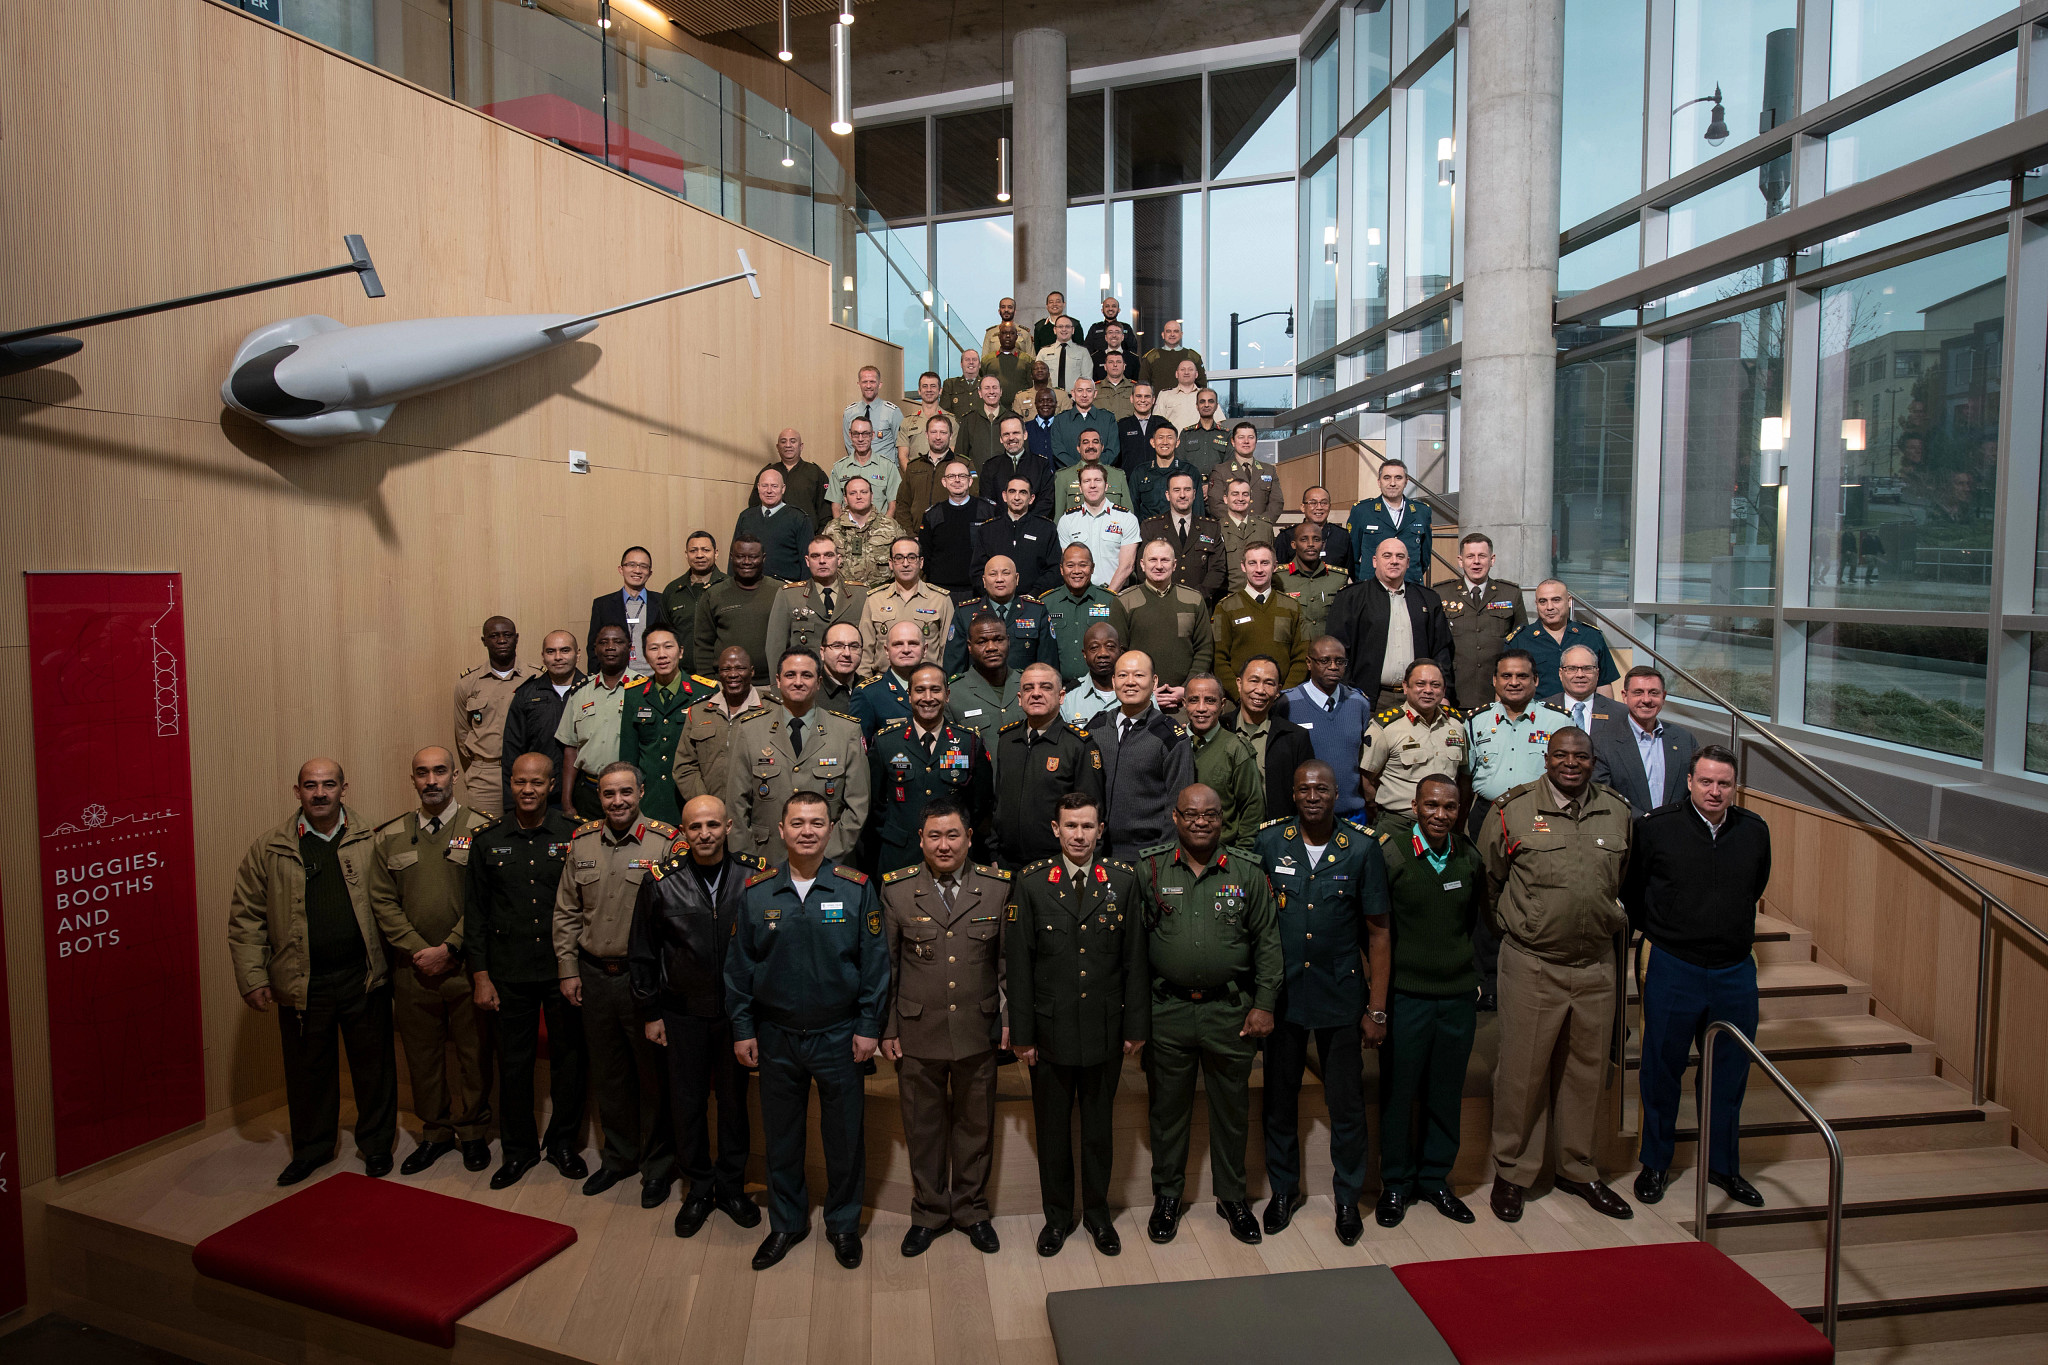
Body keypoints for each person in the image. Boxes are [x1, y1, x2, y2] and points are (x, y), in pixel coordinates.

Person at [727, 793, 888, 1271]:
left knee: (843, 1138)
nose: (807, 831)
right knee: (782, 1137)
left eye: (817, 823)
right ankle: (787, 1224)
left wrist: (868, 1026)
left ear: (830, 829)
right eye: (797, 823)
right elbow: (739, 969)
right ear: (781, 830)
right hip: (775, 1036)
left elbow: (875, 966)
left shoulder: (856, 888)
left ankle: (842, 1224)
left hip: (839, 1034)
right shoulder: (757, 893)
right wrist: (741, 1028)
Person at [1479, 728, 1634, 1224]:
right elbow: (1490, 881)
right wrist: (1527, 925)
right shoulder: (1512, 809)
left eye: (1581, 756)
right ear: (1545, 758)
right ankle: (1513, 1172)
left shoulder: (1617, 811)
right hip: (1533, 962)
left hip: (1596, 965)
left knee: (1587, 1071)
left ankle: (1577, 1167)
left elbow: (1622, 879)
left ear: (1593, 760)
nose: (1571, 763)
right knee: (1523, 1073)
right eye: (1561, 755)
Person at [229, 759, 397, 1185]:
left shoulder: (373, 838)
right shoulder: (270, 848)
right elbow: (246, 917)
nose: (319, 792)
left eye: (328, 784)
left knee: (374, 1069)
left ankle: (376, 1146)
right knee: (308, 1073)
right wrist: (253, 976)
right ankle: (312, 1150)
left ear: (345, 788)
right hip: (303, 981)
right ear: (296, 791)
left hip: (363, 976)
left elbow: (395, 903)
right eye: (310, 785)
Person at [1625, 746, 1772, 1210]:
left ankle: (1723, 1166)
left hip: (1733, 970)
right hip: (1673, 964)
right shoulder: (1656, 827)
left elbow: (1756, 885)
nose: (1714, 791)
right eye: (1706, 782)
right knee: (1662, 1068)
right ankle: (1656, 1162)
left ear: (1735, 788)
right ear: (1689, 781)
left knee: (1729, 1073)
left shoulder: (1754, 831)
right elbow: (1633, 891)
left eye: (1724, 784)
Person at [1136, 784, 1282, 1248]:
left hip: (1229, 1011)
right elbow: (1133, 951)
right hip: (1167, 1011)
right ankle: (1167, 1197)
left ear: (1223, 820)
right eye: (1191, 815)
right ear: (1175, 818)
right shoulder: (1151, 870)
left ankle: (1232, 1198)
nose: (1201, 822)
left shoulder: (1247, 871)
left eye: (1211, 815)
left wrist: (1264, 1004)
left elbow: (1268, 943)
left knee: (1231, 1111)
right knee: (1167, 1112)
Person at [1007, 793, 1148, 1257]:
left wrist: (1135, 1026)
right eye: (1071, 826)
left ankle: (1099, 1215)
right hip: (1049, 1033)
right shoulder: (1030, 883)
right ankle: (1057, 1218)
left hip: (1105, 1030)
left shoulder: (1123, 882)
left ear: (1101, 830)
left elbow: (1134, 962)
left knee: (1097, 1132)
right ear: (1055, 829)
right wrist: (1023, 1035)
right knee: (1051, 1132)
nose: (1079, 835)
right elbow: (1020, 967)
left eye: (1088, 827)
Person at [1256, 761, 1389, 1243]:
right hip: (1284, 995)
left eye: (1322, 789)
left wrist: (1376, 1007)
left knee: (1347, 1105)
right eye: (1304, 789)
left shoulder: (1361, 847)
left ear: (1337, 795)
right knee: (1279, 1102)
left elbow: (1378, 933)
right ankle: (1284, 1191)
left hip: (1340, 996)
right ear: (1293, 794)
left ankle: (1349, 1199)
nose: (1313, 796)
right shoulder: (1269, 843)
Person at [630, 795, 768, 1238]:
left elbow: (768, 948)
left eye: (712, 825)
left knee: (733, 1105)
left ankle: (730, 1187)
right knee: (686, 1104)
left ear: (728, 826)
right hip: (681, 1013)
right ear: (682, 832)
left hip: (736, 1014)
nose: (704, 834)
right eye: (694, 827)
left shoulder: (754, 875)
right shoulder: (659, 881)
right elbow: (643, 952)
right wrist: (651, 1012)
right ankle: (698, 1188)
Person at [879, 801, 1011, 1256]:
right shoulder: (896, 891)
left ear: (970, 838)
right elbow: (889, 968)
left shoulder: (996, 889)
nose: (943, 844)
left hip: (978, 1026)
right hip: (918, 1030)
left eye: (953, 835)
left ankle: (972, 1211)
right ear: (920, 840)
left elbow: (1006, 965)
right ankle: (930, 1213)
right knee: (924, 1128)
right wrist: (889, 1026)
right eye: (934, 835)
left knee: (976, 1127)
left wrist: (1009, 1019)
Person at [553, 763, 680, 1207]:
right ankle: (619, 1157)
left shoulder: (665, 842)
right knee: (609, 1074)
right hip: (593, 977)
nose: (618, 801)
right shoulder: (583, 841)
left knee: (653, 1077)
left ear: (642, 791)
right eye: (609, 794)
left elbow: (674, 921)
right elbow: (567, 910)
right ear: (600, 798)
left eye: (626, 792)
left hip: (641, 981)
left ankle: (659, 1166)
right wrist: (568, 968)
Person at [368, 747, 496, 1174]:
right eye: (422, 773)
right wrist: (418, 949)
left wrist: (451, 947)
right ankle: (436, 1133)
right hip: (413, 970)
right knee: (422, 1057)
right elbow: (382, 901)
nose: (431, 780)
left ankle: (474, 1132)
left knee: (473, 1055)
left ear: (454, 775)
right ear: (413, 780)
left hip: (466, 967)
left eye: (440, 771)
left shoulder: (480, 830)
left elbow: (487, 897)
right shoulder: (389, 836)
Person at [468, 752, 587, 1189]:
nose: (528, 790)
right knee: (513, 1065)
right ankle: (517, 1151)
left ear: (552, 785)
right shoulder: (487, 839)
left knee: (569, 1062)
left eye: (537, 782)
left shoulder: (575, 836)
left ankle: (562, 1145)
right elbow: (475, 915)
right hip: (509, 971)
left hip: (563, 970)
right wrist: (480, 976)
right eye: (520, 782)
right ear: (510, 783)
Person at [1374, 773, 1486, 1229]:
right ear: (1416, 807)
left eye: (1450, 807)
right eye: (1432, 806)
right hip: (1407, 997)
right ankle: (1396, 1184)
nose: (1441, 815)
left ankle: (1436, 1179)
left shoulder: (1469, 858)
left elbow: (1475, 922)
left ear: (1459, 811)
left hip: (1456, 997)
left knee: (1446, 1091)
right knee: (1399, 1093)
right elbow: (1376, 931)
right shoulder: (1392, 855)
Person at [1463, 648, 1557, 1009]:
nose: (1513, 682)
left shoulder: (1557, 722)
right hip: (1487, 813)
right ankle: (1487, 980)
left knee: (1535, 891)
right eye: (1506, 676)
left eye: (1521, 676)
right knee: (1487, 895)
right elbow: (1467, 774)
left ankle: (1534, 973)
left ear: (1535, 681)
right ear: (1494, 681)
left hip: (1538, 814)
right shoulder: (1476, 721)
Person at [728, 648, 870, 866]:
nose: (798, 682)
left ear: (819, 681)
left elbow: (857, 806)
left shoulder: (846, 731)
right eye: (790, 675)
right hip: (766, 859)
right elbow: (736, 806)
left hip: (829, 860)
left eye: (807, 675)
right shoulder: (750, 730)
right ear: (777, 680)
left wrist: (827, 854)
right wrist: (748, 861)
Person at [865, 664, 995, 876]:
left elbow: (980, 802)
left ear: (947, 695)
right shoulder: (886, 742)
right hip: (901, 854)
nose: (928, 697)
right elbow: (875, 804)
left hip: (952, 855)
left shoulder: (967, 741)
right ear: (909, 695)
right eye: (920, 690)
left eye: (935, 690)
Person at [991, 663, 1106, 870]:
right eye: (1028, 688)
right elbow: (998, 802)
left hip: (1057, 866)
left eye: (1045, 687)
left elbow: (1092, 814)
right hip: (1007, 863)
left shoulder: (1078, 745)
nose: (1036, 694)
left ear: (1061, 697)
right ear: (1019, 698)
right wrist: (993, 852)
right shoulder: (1007, 741)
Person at [1086, 651, 1195, 860]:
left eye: (1138, 675)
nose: (1130, 682)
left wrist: (1162, 860)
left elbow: (1178, 806)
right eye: (1122, 675)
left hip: (1147, 857)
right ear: (1113, 681)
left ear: (1154, 682)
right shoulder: (1096, 728)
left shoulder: (1171, 737)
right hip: (1095, 853)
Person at [1327, 538, 1456, 710]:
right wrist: (1344, 693)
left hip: (1419, 698)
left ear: (1408, 562)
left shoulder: (1428, 599)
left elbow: (1442, 651)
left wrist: (1444, 694)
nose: (1394, 561)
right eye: (1387, 556)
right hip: (1367, 699)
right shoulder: (1351, 598)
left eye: (1400, 556)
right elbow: (1338, 651)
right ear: (1375, 561)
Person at [618, 626, 713, 824]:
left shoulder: (704, 692)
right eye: (653, 649)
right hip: (650, 800)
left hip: (693, 797)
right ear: (645, 655)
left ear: (680, 651)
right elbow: (628, 756)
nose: (661, 655)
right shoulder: (634, 694)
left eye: (668, 647)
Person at [1360, 660, 1467, 833]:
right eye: (1420, 684)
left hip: (1443, 825)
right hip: (1399, 824)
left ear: (1444, 690)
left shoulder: (1456, 725)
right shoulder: (1385, 728)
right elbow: (1367, 780)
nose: (1428, 690)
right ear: (1405, 687)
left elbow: (1462, 778)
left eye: (1435, 685)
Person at [454, 616, 539, 817]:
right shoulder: (468, 683)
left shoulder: (537, 678)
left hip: (527, 772)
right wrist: (479, 766)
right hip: (485, 776)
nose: (501, 640)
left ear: (516, 638)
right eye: (494, 636)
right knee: (485, 836)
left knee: (527, 836)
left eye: (507, 635)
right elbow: (462, 733)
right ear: (484, 641)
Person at [557, 624, 642, 820]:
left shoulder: (644, 689)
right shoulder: (580, 692)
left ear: (630, 648)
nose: (610, 647)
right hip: (589, 791)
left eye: (618, 642)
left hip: (631, 795)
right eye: (603, 643)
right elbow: (570, 749)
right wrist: (567, 801)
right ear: (595, 649)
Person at [1118, 539, 1214, 708]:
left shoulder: (1193, 600)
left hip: (1185, 701)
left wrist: (1187, 689)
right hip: (1139, 701)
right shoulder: (1124, 601)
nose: (1159, 566)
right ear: (1142, 564)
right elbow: (1119, 654)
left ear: (1174, 564)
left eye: (1165, 560)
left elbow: (1204, 650)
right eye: (1153, 560)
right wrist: (1143, 692)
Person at [1284, 637, 1372, 821]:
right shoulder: (1287, 704)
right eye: (1325, 661)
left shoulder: (1359, 703)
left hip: (1352, 814)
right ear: (1309, 663)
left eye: (1340, 661)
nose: (1333, 667)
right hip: (1302, 815)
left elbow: (1366, 761)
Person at [1592, 666, 1699, 818]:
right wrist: (1648, 823)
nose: (1646, 700)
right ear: (1625, 696)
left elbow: (1695, 790)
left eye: (1653, 693)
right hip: (1628, 833)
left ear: (1664, 696)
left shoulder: (1684, 740)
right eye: (1638, 692)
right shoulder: (1601, 742)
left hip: (1675, 831)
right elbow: (1603, 796)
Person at [1212, 543, 1309, 700]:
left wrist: (1285, 695)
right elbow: (1219, 660)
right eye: (1252, 563)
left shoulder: (1291, 607)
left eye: (1265, 563)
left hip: (1283, 700)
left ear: (1274, 566)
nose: (1258, 569)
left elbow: (1301, 657)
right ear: (1243, 566)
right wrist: (1240, 695)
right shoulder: (1226, 607)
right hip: (1239, 701)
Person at [1444, 532, 1528, 708]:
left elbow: (1521, 644)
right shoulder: (1441, 594)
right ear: (1461, 561)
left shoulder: (1510, 594)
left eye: (1482, 556)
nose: (1476, 561)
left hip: (1499, 693)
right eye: (1470, 556)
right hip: (1454, 690)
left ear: (1492, 559)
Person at [1229, 655, 1317, 821]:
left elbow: (1306, 795)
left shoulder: (1295, 737)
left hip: (1277, 835)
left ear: (1278, 691)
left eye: (1269, 683)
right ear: (1239, 684)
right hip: (1228, 836)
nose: (1260, 690)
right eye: (1254, 681)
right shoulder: (1222, 728)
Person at [502, 629, 583, 809]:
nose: (558, 657)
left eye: (565, 650)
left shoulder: (592, 690)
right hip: (538, 797)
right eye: (551, 651)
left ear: (578, 655)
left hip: (584, 795)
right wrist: (510, 804)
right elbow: (512, 751)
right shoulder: (527, 694)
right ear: (543, 657)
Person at [672, 645, 761, 807]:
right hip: (708, 815)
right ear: (719, 673)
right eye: (726, 669)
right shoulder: (699, 712)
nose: (733, 674)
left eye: (740, 668)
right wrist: (707, 804)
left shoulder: (771, 711)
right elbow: (684, 767)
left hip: (758, 814)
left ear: (752, 671)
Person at [1504, 579, 1621, 700]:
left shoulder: (1591, 636)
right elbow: (1505, 687)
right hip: (1539, 715)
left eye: (1556, 600)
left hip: (1582, 714)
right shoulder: (1520, 640)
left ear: (1569, 601)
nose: (1549, 607)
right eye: (1543, 601)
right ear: (1536, 604)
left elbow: (1603, 683)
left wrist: (1604, 717)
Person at [1183, 675, 1264, 848]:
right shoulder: (1172, 744)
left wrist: (1244, 857)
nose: (1201, 708)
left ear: (1222, 705)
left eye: (1210, 701)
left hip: (1223, 852)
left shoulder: (1236, 749)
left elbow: (1252, 808)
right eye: (1194, 700)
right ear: (1184, 704)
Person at [856, 536, 956, 677]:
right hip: (883, 682)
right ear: (891, 563)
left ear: (921, 562)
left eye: (911, 557)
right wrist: (864, 684)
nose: (905, 564)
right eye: (899, 558)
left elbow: (947, 651)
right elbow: (865, 649)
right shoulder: (875, 599)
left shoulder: (940, 600)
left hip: (927, 682)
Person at [692, 535, 784, 684]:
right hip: (725, 685)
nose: (746, 562)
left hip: (772, 683)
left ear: (763, 558)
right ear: (731, 558)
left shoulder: (781, 592)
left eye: (753, 557)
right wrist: (708, 683)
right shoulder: (713, 595)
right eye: (740, 557)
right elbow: (703, 644)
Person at [765, 536, 867, 662]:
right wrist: (778, 681)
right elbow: (775, 647)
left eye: (828, 555)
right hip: (806, 678)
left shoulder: (861, 595)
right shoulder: (789, 596)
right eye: (815, 556)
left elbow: (868, 646)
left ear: (839, 559)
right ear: (807, 561)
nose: (822, 561)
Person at [1043, 544, 1128, 686]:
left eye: (1083, 565)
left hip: (1102, 685)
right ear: (1061, 569)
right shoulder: (1047, 603)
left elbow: (1122, 646)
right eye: (1070, 565)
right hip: (1058, 687)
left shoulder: (1110, 601)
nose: (1077, 571)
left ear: (1092, 568)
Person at [946, 613, 1028, 751]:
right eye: (982, 642)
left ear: (1008, 641)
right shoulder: (953, 694)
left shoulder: (1028, 685)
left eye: (998, 639)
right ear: (970, 646)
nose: (991, 647)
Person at [1141, 474, 1226, 605]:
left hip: (1199, 603)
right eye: (1176, 490)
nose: (1182, 495)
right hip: (1160, 603)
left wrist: (1195, 597)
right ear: (1167, 495)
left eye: (1187, 489)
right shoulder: (1151, 527)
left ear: (1194, 493)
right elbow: (1142, 568)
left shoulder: (1211, 527)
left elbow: (1218, 569)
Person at [920, 457, 997, 602]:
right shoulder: (932, 515)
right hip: (941, 591)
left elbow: (995, 549)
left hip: (979, 590)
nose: (957, 480)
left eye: (962, 476)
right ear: (944, 482)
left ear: (970, 481)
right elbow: (925, 555)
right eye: (951, 476)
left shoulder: (987, 511)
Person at [971, 473, 1060, 597]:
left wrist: (1034, 594)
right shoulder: (987, 530)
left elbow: (1054, 570)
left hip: (1035, 601)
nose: (1017, 497)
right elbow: (977, 571)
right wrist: (993, 596)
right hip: (994, 602)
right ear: (1004, 496)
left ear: (1031, 498)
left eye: (1023, 492)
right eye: (1012, 491)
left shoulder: (1046, 529)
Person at [1345, 459, 1431, 585]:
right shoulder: (1362, 511)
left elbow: (1425, 557)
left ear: (1406, 481)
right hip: (1372, 587)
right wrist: (1364, 581)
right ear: (1379, 482)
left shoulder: (1422, 511)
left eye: (1398, 478)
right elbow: (1352, 557)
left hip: (1410, 586)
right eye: (1387, 478)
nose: (1392, 483)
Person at [1056, 465, 1140, 590]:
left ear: (1106, 486)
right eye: (1087, 481)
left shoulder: (1126, 518)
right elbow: (1067, 565)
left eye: (1097, 480)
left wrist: (1108, 596)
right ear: (1080, 487)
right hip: (1080, 594)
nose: (1092, 485)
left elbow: (1127, 566)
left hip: (1116, 593)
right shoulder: (1067, 520)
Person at [592, 547, 672, 675]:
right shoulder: (602, 605)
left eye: (643, 566)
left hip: (654, 676)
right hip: (617, 677)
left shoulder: (662, 602)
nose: (637, 570)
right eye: (631, 565)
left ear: (650, 573)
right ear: (621, 569)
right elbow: (593, 647)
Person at [899, 412, 976, 535]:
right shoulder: (914, 466)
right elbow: (903, 505)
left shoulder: (964, 464)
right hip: (917, 537)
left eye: (943, 432)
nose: (938, 437)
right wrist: (910, 535)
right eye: (933, 432)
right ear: (926, 435)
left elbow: (974, 501)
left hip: (952, 536)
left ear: (951, 436)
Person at [733, 466, 814, 583]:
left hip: (786, 589)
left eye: (774, 486)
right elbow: (735, 556)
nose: (769, 491)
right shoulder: (746, 517)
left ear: (783, 489)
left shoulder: (799, 518)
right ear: (758, 487)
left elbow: (807, 561)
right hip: (749, 588)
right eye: (765, 486)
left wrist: (804, 592)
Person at [974, 415, 1056, 528]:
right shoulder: (990, 467)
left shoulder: (1041, 465)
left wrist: (1027, 523)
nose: (1011, 438)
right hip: (1000, 529)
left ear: (1025, 435)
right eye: (1006, 434)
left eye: (1016, 433)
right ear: (1001, 439)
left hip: (1033, 528)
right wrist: (1005, 523)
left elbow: (1046, 501)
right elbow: (987, 503)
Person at [853, 620, 928, 739]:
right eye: (898, 644)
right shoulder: (869, 694)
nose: (906, 650)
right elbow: (858, 747)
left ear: (925, 649)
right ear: (887, 651)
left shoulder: (939, 689)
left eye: (913, 643)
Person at [823, 475, 900, 590]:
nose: (859, 497)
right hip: (843, 594)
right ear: (845, 498)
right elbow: (822, 563)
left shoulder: (891, 526)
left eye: (864, 492)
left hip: (882, 594)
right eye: (853, 493)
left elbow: (905, 560)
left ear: (872, 496)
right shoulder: (832, 529)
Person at [753, 427, 830, 531]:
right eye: (783, 441)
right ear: (777, 446)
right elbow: (754, 507)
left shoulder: (815, 472)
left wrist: (819, 539)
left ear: (801, 446)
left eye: (793, 441)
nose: (788, 445)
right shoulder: (767, 472)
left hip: (807, 537)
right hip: (771, 534)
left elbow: (825, 512)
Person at [1279, 521, 1345, 641]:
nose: (1311, 544)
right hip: (1294, 651)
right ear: (1294, 544)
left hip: (1327, 652)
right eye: (1304, 539)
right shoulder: (1279, 579)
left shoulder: (1339, 578)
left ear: (1323, 544)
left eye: (1316, 539)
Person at [829, 415, 902, 522]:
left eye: (865, 434)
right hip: (848, 532)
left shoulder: (888, 467)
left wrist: (882, 530)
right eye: (856, 434)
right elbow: (836, 507)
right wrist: (842, 531)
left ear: (872, 435)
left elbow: (893, 505)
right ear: (850, 435)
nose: (860, 439)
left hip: (881, 532)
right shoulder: (839, 468)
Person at [1207, 423, 1283, 522]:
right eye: (1241, 437)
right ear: (1233, 442)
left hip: (1261, 531)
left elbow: (1276, 503)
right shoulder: (1220, 470)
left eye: (1250, 437)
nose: (1246, 441)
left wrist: (1259, 524)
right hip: (1230, 531)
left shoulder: (1269, 470)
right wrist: (1240, 522)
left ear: (1256, 441)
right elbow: (1216, 504)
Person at [1275, 485, 1355, 579]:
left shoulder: (1342, 536)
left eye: (1324, 503)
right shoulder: (1287, 536)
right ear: (1302, 507)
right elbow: (1278, 573)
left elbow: (1350, 572)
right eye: (1313, 503)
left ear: (1330, 506)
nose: (1319, 507)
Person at [1539, 643, 1621, 734]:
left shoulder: (1619, 713)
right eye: (1572, 668)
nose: (1580, 675)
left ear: (1597, 674)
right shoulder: (1541, 711)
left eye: (1587, 668)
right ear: (1560, 674)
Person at [1129, 424, 1206, 520]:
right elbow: (1132, 508)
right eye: (1160, 438)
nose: (1165, 442)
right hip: (1147, 531)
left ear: (1177, 443)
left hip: (1180, 531)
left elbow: (1198, 510)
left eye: (1170, 438)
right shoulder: (1140, 472)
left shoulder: (1190, 471)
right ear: (1153, 442)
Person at [1215, 478, 1277, 595]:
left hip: (1261, 596)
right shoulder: (1216, 529)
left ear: (1250, 498)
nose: (1240, 499)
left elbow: (1272, 564)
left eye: (1245, 494)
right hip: (1229, 596)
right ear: (1225, 499)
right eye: (1235, 494)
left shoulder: (1265, 527)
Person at [1050, 431, 1135, 516]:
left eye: (1095, 442)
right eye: (1085, 442)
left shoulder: (1118, 476)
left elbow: (1128, 514)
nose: (1091, 446)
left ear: (1102, 447)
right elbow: (1059, 517)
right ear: (1078, 448)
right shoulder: (1063, 476)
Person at [659, 533, 725, 641]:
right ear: (686, 554)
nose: (699, 555)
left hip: (719, 658)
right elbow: (665, 635)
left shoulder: (729, 586)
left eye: (706, 550)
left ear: (716, 553)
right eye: (693, 551)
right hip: (682, 658)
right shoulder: (672, 590)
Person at [1050, 377, 1121, 470]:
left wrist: (1094, 469)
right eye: (1080, 390)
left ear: (1095, 393)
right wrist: (1079, 469)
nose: (1084, 395)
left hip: (1101, 476)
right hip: (1070, 476)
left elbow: (1113, 451)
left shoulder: (1108, 418)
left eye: (1088, 390)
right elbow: (1058, 451)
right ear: (1073, 393)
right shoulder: (1060, 420)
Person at [1062, 622, 1124, 726]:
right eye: (1094, 648)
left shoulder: (1140, 693)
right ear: (1084, 654)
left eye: (1110, 646)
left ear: (1120, 651)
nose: (1102, 653)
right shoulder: (1067, 699)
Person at [841, 363, 903, 460]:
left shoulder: (892, 412)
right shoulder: (849, 412)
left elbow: (900, 446)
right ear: (859, 384)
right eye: (864, 382)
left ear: (880, 384)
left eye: (872, 382)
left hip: (884, 471)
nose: (868, 386)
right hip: (857, 471)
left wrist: (892, 469)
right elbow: (849, 445)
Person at [955, 374, 1013, 472]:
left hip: (1007, 480)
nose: (991, 391)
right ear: (980, 393)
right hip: (977, 481)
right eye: (987, 388)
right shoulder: (969, 420)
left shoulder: (1012, 418)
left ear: (1001, 391)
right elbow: (960, 456)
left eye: (995, 387)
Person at [1116, 383, 1173, 473]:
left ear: (1153, 399)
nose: (1143, 400)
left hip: (1158, 478)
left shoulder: (1162, 424)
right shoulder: (1122, 426)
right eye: (1139, 396)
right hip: (1130, 480)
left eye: (1147, 396)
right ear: (1131, 398)